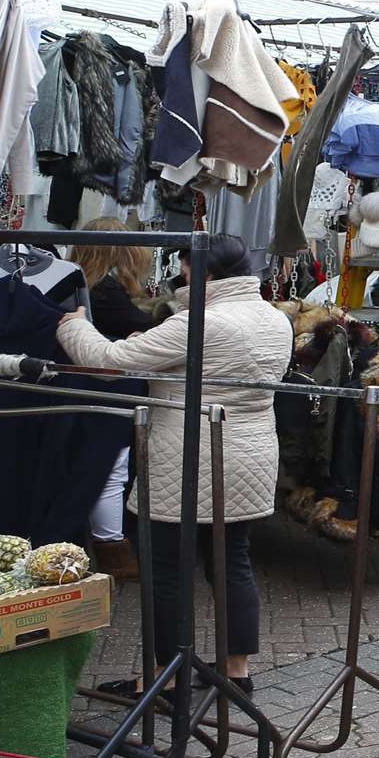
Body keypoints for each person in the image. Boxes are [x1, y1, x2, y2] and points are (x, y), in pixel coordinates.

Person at [57, 234, 292, 695]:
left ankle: (160, 678)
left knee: (165, 565)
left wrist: (74, 324)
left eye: (185, 268)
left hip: (187, 456)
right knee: (232, 561)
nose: (179, 276)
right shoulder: (273, 317)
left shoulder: (199, 321)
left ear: (202, 273)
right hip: (249, 453)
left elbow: (109, 360)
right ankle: (235, 671)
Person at [67, 217, 165, 582]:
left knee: (102, 466)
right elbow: (145, 328)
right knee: (113, 468)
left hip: (90, 386)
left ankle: (107, 546)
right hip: (110, 388)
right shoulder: (106, 291)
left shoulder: (78, 284)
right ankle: (114, 552)